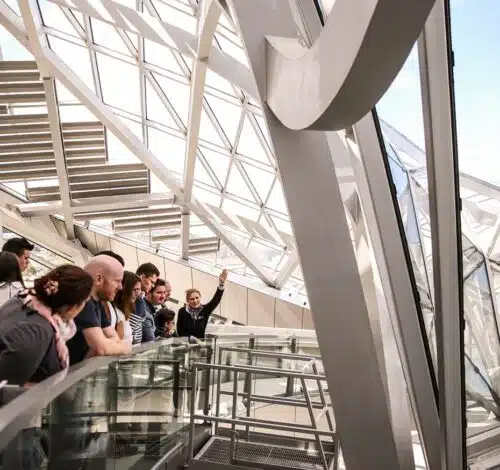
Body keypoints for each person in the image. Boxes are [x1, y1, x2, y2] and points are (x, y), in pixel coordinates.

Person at [0, 265, 92, 385]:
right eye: (85, 302)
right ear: (71, 308)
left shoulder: (20, 301)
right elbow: (8, 386)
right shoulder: (38, 332)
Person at [67, 255, 131, 365]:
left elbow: (113, 337)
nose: (120, 287)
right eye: (117, 281)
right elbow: (101, 348)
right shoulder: (85, 302)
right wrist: (126, 347)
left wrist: (105, 344)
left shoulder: (97, 302)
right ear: (99, 279)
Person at [177, 269, 227, 339]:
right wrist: (190, 338)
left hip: (200, 345)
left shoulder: (205, 310)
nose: (195, 301)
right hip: (186, 345)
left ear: (200, 297)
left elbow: (215, 301)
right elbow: (180, 331)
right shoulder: (182, 311)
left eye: (197, 298)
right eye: (192, 299)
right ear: (187, 300)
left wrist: (221, 285)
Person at [130, 263, 160, 344]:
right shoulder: (132, 296)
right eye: (151, 282)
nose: (153, 286)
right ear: (142, 276)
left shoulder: (141, 298)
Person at [112, 271, 141, 344]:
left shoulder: (125, 311)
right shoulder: (116, 313)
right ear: (124, 290)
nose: (138, 294)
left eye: (139, 289)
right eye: (135, 290)